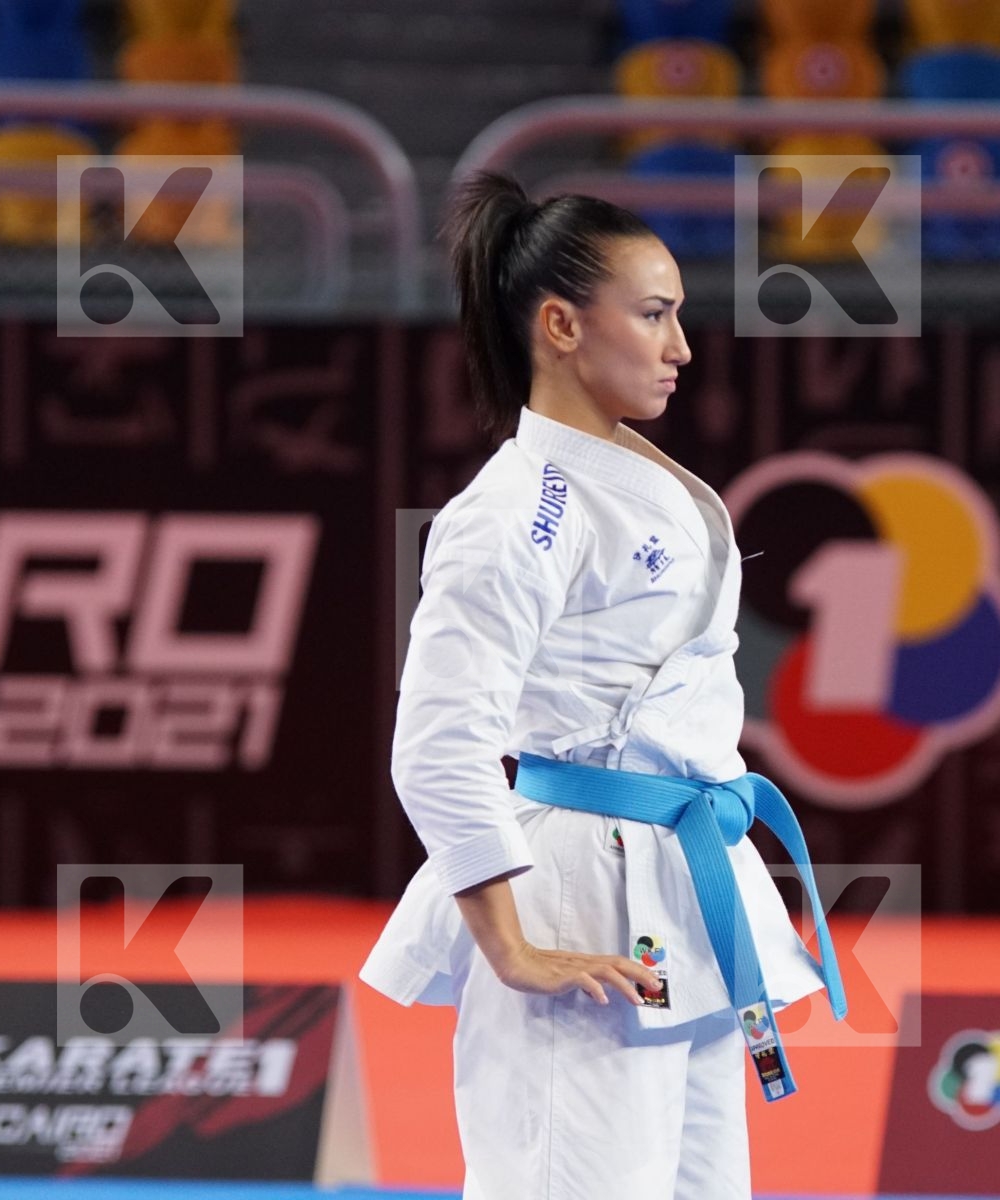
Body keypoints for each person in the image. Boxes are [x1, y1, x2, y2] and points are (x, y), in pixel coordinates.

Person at [359, 175, 846, 1199]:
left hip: (684, 872)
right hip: (578, 888)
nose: (682, 348)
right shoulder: (513, 512)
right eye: (656, 315)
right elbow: (438, 741)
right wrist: (510, 944)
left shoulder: (638, 479)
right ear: (561, 325)